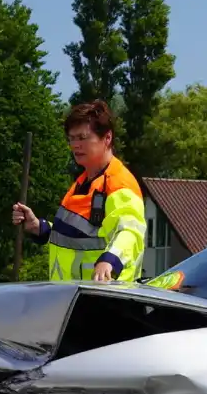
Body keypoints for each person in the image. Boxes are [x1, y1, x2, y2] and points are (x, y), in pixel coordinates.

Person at [12, 100, 146, 282]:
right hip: (74, 297)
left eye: (82, 138)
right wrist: (39, 227)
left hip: (108, 299)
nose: (75, 145)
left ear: (107, 138)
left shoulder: (119, 183)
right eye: (71, 139)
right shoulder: (82, 183)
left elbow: (130, 231)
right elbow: (77, 237)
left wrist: (110, 260)